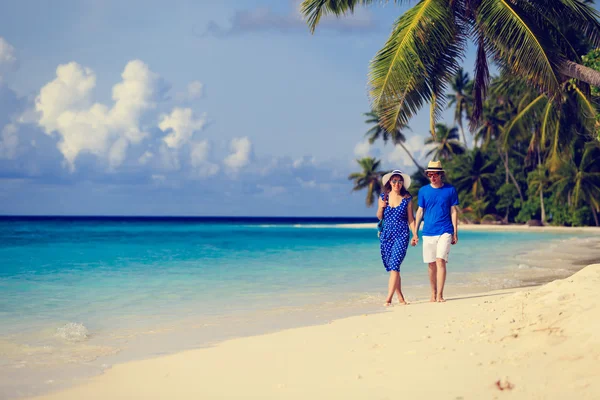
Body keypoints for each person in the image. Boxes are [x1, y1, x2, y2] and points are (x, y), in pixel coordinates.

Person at [412, 160, 459, 303]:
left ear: (441, 175)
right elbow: (420, 212)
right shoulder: (423, 191)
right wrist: (415, 233)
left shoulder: (450, 190)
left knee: (440, 260)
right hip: (428, 232)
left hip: (445, 230)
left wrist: (455, 232)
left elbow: (453, 211)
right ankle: (432, 293)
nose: (432, 177)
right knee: (431, 263)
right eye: (430, 174)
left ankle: (440, 295)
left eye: (435, 174)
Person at [377, 169, 417, 306]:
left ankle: (388, 299)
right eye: (394, 181)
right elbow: (379, 216)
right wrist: (381, 207)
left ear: (402, 183)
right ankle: (400, 297)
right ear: (390, 182)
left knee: (394, 266)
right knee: (393, 267)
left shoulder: (407, 199)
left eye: (399, 181)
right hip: (386, 235)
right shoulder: (383, 197)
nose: (397, 183)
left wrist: (415, 234)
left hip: (401, 235)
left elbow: (411, 219)